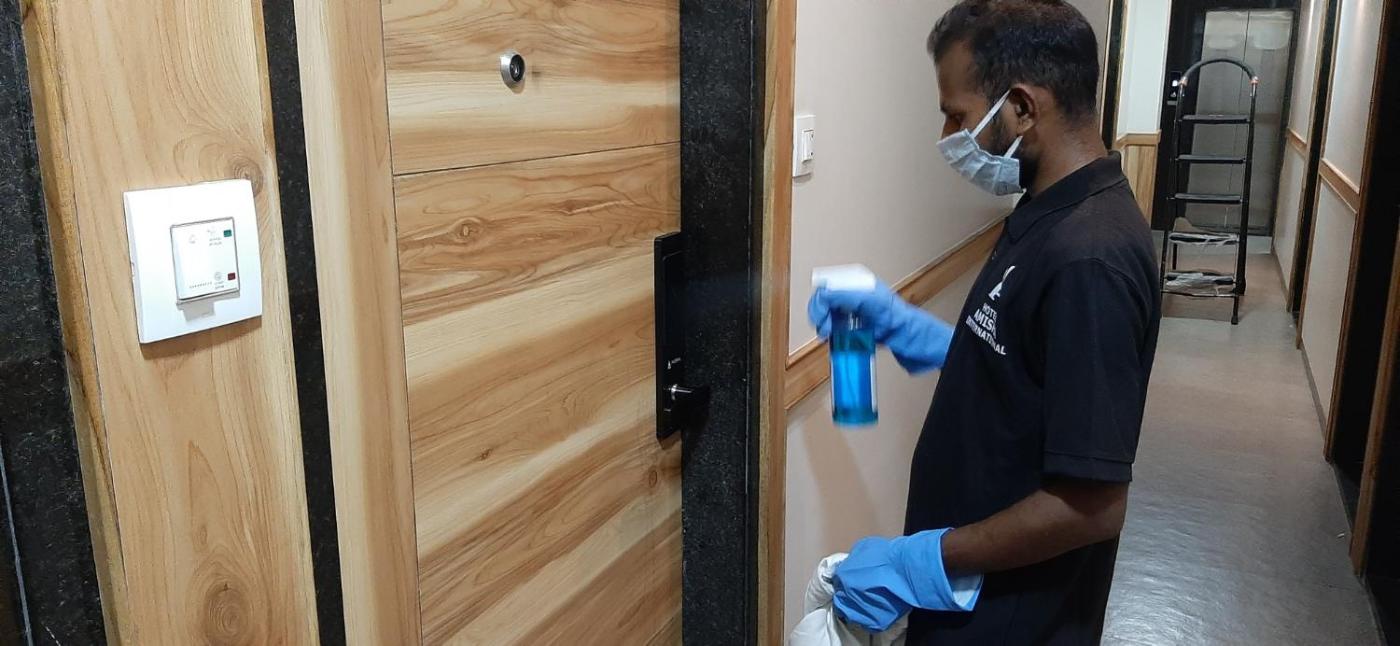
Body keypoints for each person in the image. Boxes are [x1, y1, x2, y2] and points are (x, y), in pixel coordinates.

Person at [806, 1, 1162, 643]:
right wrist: (907, 328)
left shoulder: (1091, 258)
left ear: (1021, 107)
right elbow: (1034, 369)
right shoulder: (1048, 211)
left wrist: (919, 563)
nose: (948, 134)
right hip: (968, 597)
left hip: (1015, 618)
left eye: (957, 114)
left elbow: (1091, 506)